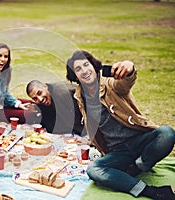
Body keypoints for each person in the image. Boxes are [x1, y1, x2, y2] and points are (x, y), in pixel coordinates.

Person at [66, 50, 175, 200]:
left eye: (86, 65)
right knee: (93, 169)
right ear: (74, 76)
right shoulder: (80, 96)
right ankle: (148, 191)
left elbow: (124, 83)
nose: (84, 70)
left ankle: (136, 168)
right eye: (78, 69)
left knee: (167, 133)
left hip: (139, 140)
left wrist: (129, 68)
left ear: (94, 66)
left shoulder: (109, 84)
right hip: (118, 152)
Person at [0, 42, 39, 126]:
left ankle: (44, 112)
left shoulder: (6, 70)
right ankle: (39, 117)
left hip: (1, 103)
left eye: (6, 56)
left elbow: (5, 92)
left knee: (31, 104)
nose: (2, 59)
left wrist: (18, 104)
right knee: (29, 115)